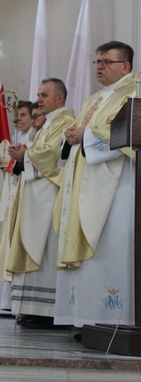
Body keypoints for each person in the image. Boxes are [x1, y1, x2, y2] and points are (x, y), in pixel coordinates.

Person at [53, 41, 136, 328]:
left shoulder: (134, 93)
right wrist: (72, 135)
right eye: (97, 62)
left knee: (110, 245)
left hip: (116, 185)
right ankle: (83, 319)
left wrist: (85, 135)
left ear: (125, 66)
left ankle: (111, 319)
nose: (99, 67)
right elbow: (82, 134)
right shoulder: (94, 98)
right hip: (85, 183)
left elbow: (126, 133)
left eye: (106, 62)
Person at [5, 79, 75, 326]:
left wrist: (27, 154)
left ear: (59, 98)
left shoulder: (65, 122)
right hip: (37, 195)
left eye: (45, 95)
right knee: (37, 247)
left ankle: (46, 311)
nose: (40, 99)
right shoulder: (50, 123)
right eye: (38, 94)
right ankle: (32, 309)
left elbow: (53, 155)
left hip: (49, 197)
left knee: (47, 249)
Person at [0, 100, 36, 314]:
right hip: (12, 199)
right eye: (18, 115)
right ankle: (3, 303)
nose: (20, 119)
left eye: (24, 115)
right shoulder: (15, 141)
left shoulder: (33, 140)